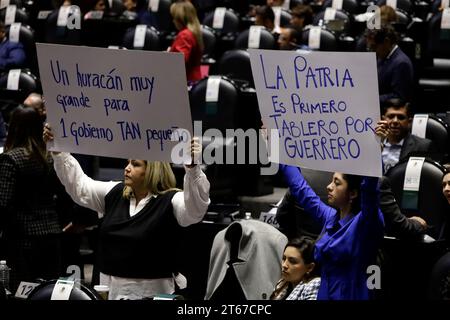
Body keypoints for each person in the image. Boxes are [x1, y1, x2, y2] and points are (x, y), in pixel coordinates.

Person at [43, 124, 210, 300]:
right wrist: (59, 151)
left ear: (152, 171)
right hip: (108, 290)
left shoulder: (171, 200)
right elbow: (80, 187)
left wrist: (193, 168)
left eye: (135, 164)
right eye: (128, 163)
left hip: (151, 293)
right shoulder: (114, 192)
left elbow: (195, 210)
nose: (127, 168)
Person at [279, 160, 384, 299]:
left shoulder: (367, 222)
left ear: (353, 193)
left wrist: (372, 156)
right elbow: (300, 188)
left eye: (337, 182)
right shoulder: (331, 218)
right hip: (325, 293)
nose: (329, 186)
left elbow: (370, 192)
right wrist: (278, 150)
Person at [0, 107, 65, 292]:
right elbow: (63, 195)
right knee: (48, 292)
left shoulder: (10, 159)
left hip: (22, 240)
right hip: (52, 235)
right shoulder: (50, 158)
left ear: (13, 127)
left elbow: (2, 204)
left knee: (23, 292)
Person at [381, 98, 435, 173]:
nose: (395, 121)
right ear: (383, 119)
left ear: (409, 121)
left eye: (401, 117)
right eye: (391, 116)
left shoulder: (423, 146)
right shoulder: (373, 144)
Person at [365, 25, 414, 105]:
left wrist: (371, 99)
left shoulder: (401, 63)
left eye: (374, 47)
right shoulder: (383, 56)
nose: (372, 51)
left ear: (386, 42)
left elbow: (398, 97)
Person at [169, 1, 204, 82]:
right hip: (194, 79)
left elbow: (178, 61)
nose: (173, 21)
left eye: (174, 17)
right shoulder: (194, 32)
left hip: (186, 81)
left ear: (180, 19)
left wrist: (165, 57)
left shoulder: (185, 35)